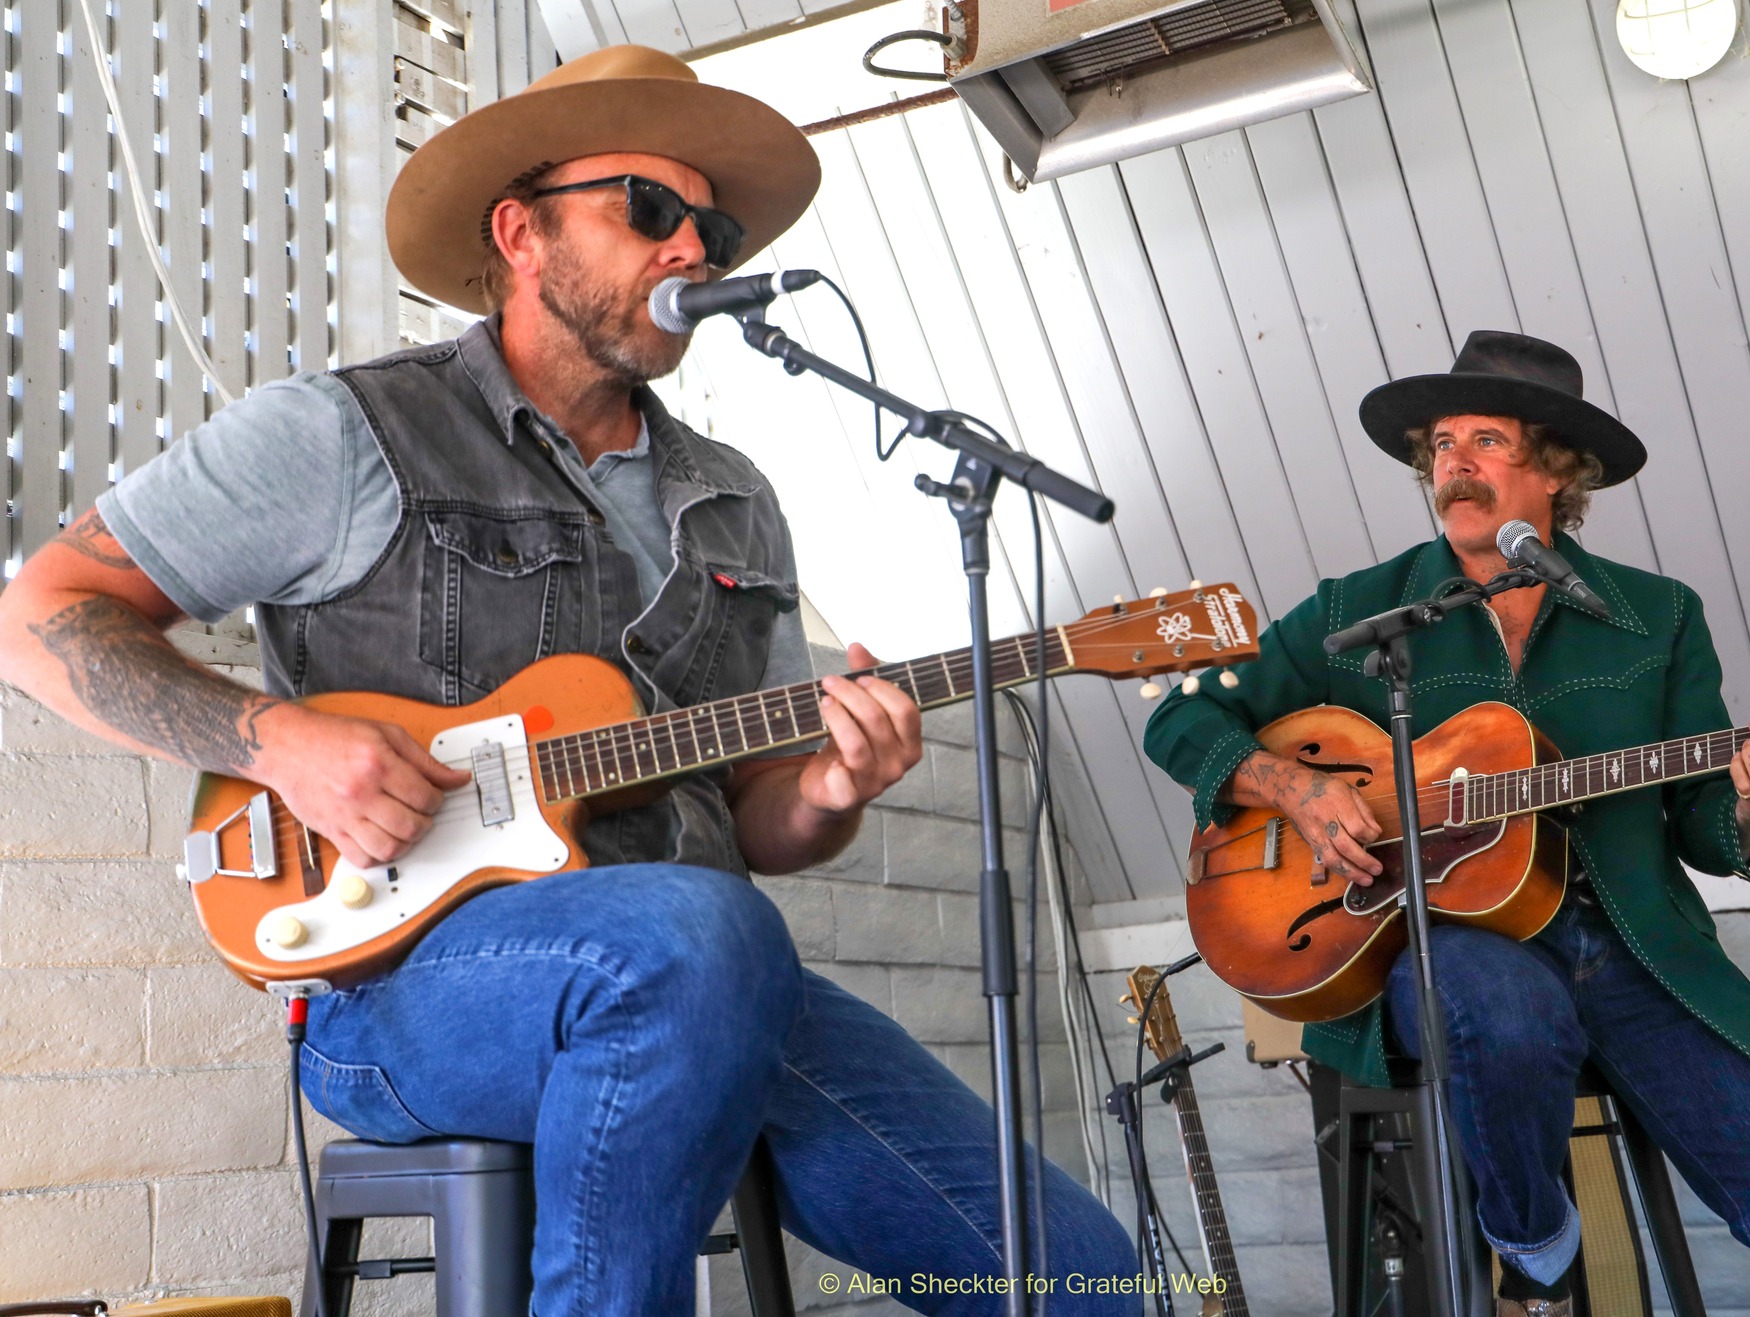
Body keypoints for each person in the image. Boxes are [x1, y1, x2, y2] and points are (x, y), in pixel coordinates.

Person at [0, 45, 1136, 1315]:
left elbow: (759, 821)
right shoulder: (342, 430)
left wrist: (828, 789)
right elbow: (39, 614)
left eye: (710, 226)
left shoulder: (735, 502)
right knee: (693, 939)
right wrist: (276, 743)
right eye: (648, 209)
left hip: (698, 971)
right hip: (397, 986)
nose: (691, 249)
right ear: (520, 231)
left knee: (1089, 1282)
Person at [1143, 331, 1750, 1316]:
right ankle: (1533, 1244)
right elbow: (1181, 715)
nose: (1453, 461)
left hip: (1634, 951)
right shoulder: (1358, 608)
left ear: (1554, 469)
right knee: (1504, 1008)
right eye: (1440, 443)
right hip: (1446, 943)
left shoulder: (1654, 615)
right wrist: (1294, 788)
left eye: (1486, 439)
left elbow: (1705, 831)